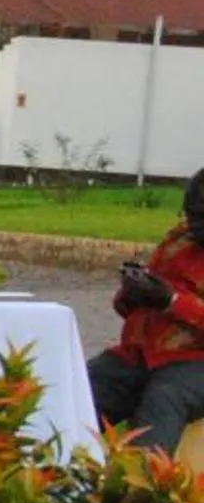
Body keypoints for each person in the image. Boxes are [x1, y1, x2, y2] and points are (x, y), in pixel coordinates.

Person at [88, 167, 204, 457]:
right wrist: (133, 293)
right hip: (141, 354)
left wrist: (173, 301)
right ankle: (44, 480)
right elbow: (141, 308)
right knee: (79, 386)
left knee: (165, 397)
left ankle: (140, 494)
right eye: (191, 215)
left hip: (196, 362)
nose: (195, 226)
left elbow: (170, 300)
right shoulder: (180, 239)